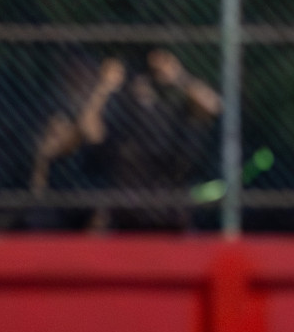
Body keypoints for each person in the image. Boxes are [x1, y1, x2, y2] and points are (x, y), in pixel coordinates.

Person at [78, 49, 222, 230]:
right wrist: (104, 87)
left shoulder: (177, 106)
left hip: (168, 209)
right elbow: (89, 129)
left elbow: (213, 106)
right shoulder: (123, 105)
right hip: (125, 209)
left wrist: (179, 76)